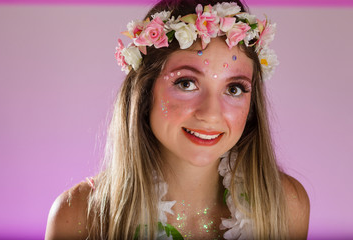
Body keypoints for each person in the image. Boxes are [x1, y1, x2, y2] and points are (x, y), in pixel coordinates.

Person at [45, 0, 310, 239]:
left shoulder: (286, 205)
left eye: (234, 89)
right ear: (146, 92)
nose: (210, 114)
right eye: (186, 83)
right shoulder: (79, 215)